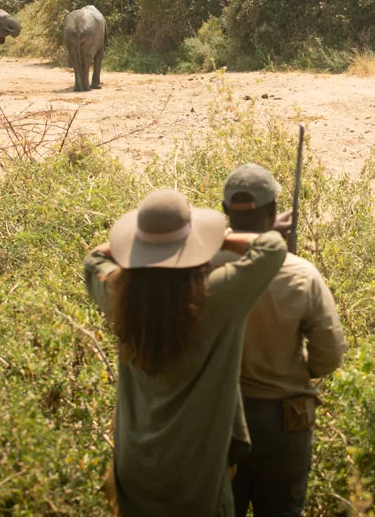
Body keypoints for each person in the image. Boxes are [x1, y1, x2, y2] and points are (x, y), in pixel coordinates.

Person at [84, 188, 287, 517]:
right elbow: (272, 246)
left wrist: (135, 246)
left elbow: (94, 259)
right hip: (198, 474)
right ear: (191, 248)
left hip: (135, 466)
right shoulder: (215, 298)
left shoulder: (119, 295)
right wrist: (219, 240)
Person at [213, 163, 347, 517]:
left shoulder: (200, 266)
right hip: (284, 420)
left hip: (218, 418)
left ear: (225, 212)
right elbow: (329, 356)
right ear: (274, 211)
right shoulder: (300, 274)